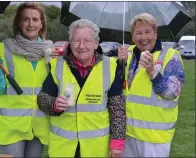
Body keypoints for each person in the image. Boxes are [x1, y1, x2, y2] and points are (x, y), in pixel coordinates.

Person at [37, 19, 126, 157]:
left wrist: (117, 142)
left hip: (95, 149)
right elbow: (42, 98)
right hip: (63, 148)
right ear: (70, 43)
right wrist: (54, 105)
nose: (81, 45)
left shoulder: (110, 67)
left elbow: (117, 108)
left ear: (96, 44)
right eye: (76, 40)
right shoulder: (58, 66)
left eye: (87, 41)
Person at [0, 2, 60, 157]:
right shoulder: (2, 49)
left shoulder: (51, 52)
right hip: (12, 126)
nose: (30, 24)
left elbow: (58, 85)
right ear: (19, 23)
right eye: (25, 19)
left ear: (41, 24)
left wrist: (57, 64)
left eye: (35, 19)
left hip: (39, 125)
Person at [118, 13, 185, 157]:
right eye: (138, 33)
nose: (143, 38)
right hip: (128, 133)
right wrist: (118, 63)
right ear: (132, 36)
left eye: (148, 32)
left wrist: (152, 71)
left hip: (154, 139)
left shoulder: (170, 55)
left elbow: (172, 92)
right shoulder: (127, 53)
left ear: (155, 33)